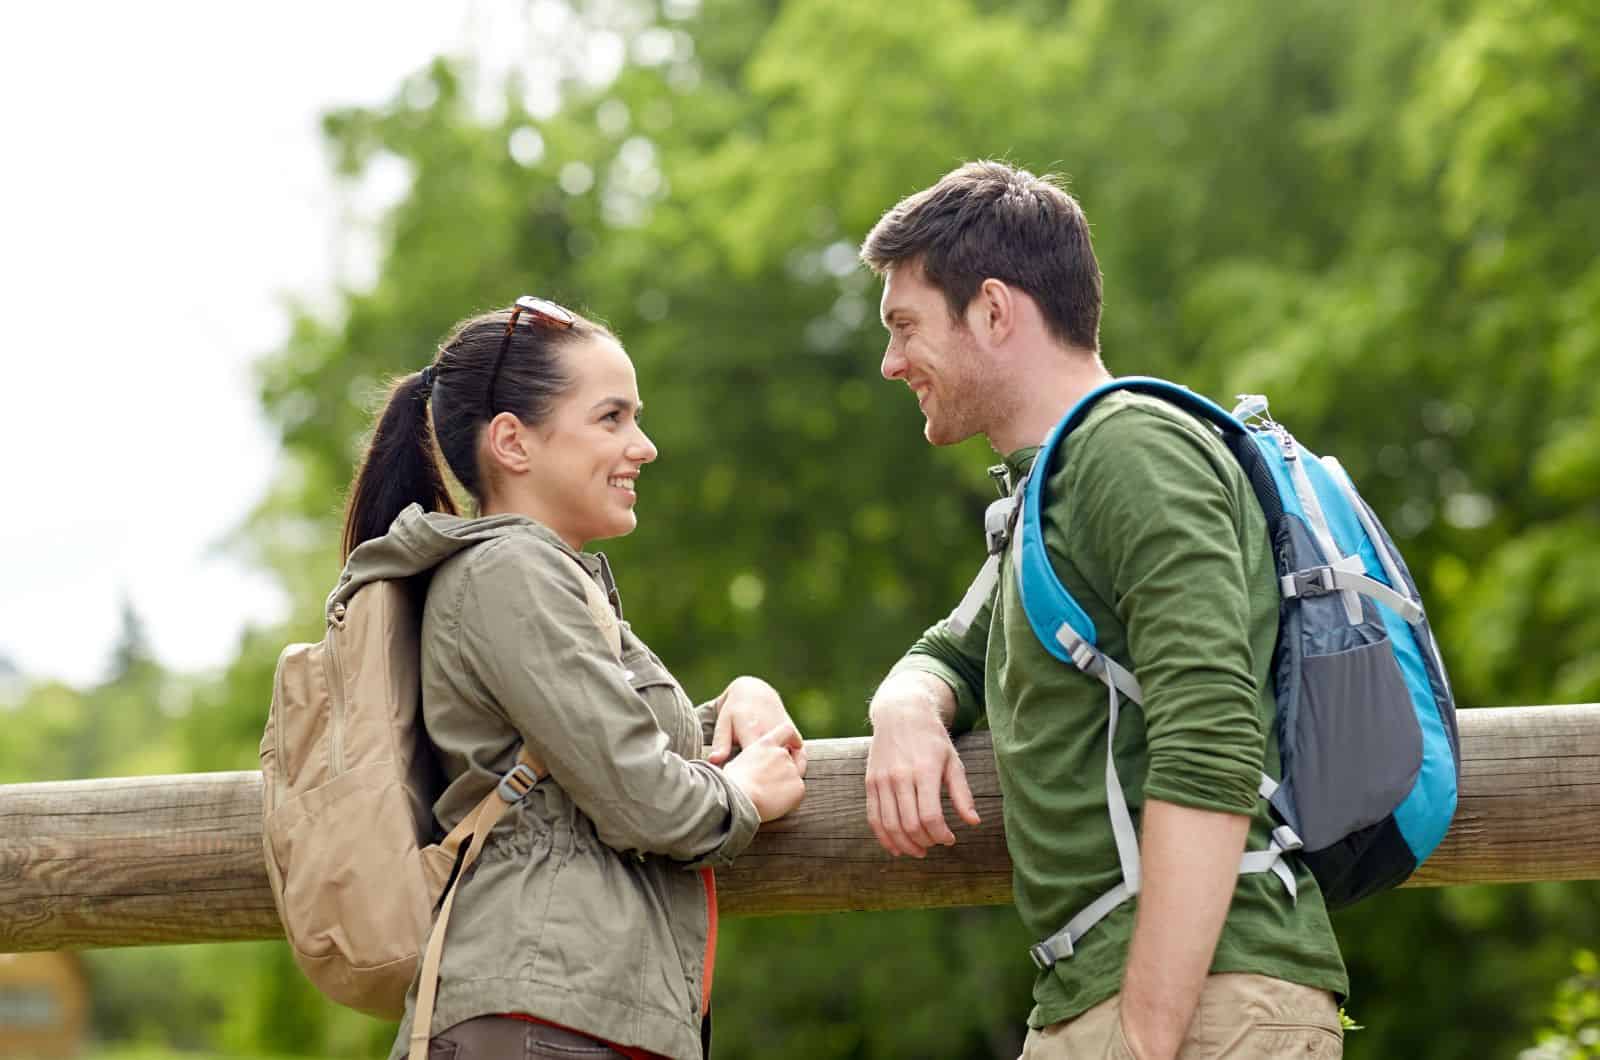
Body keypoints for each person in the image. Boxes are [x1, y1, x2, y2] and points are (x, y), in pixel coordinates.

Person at [857, 162, 1348, 1059]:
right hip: (1115, 1000)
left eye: (904, 326)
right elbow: (949, 653)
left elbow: (1211, 730)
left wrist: (1146, 1035)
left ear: (995, 311)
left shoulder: (1131, 450)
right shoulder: (1054, 489)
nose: (891, 362)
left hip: (1201, 1006)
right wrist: (902, 710)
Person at [339, 296, 808, 1060]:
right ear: (513, 443)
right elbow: (643, 796)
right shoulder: (510, 573)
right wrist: (744, 793)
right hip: (541, 1019)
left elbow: (592, 750)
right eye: (612, 418)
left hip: (560, 1013)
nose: (644, 446)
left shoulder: (536, 577)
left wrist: (738, 701)